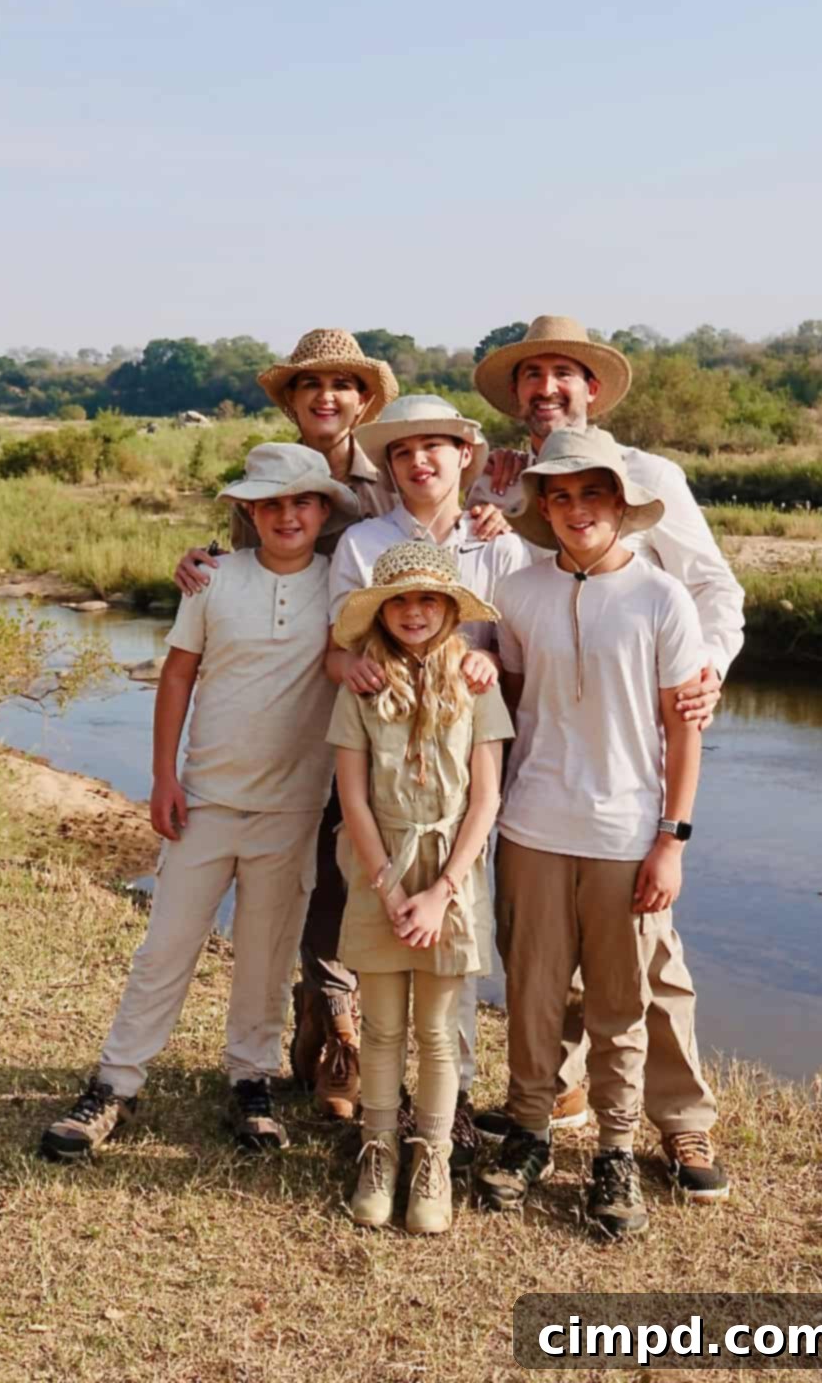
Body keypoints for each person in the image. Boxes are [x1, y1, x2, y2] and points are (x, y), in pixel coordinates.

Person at [172, 338, 506, 1124]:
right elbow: (253, 576)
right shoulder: (287, 485)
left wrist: (500, 510)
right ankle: (334, 1031)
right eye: (310, 385)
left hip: (436, 731)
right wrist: (200, 563)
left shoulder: (406, 492)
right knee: (329, 879)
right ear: (290, 400)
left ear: (365, 401)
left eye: (342, 385)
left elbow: (499, 616)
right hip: (319, 714)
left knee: (427, 880)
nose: (326, 397)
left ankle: (437, 1085)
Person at [471, 317, 742, 1187]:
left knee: (648, 964)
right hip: (544, 777)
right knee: (539, 958)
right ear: (516, 395)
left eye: (564, 373)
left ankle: (679, 1121)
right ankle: (548, 1101)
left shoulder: (650, 475)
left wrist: (706, 673)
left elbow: (712, 585)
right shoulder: (498, 477)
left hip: (637, 759)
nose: (546, 388)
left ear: (592, 387)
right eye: (532, 375)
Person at [39, 443, 358, 1162]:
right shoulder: (212, 578)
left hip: (293, 809)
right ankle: (115, 1083)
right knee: (167, 947)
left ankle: (252, 1080)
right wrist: (164, 777)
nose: (287, 516)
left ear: (323, 509)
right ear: (248, 510)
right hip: (207, 798)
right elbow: (179, 674)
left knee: (266, 955)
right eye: (270, 504)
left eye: (302, 502)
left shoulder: (340, 584)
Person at [326, 393, 529, 1156]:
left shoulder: (496, 541)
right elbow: (338, 647)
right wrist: (357, 670)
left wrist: (484, 663)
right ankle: (371, 1100)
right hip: (382, 750)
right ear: (389, 465)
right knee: (377, 942)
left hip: (469, 755)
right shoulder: (365, 541)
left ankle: (452, 1110)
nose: (420, 462)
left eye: (435, 447)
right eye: (404, 451)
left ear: (464, 455)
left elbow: (516, 651)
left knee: (456, 940)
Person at [328, 542, 512, 1232]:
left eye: (428, 599)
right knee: (381, 1027)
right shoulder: (362, 686)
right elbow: (352, 797)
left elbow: (486, 798)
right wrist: (387, 888)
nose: (413, 612)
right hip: (378, 867)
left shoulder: (476, 683)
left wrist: (441, 893)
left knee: (437, 1031)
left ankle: (431, 1157)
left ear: (450, 609)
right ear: (380, 610)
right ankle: (377, 1151)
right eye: (400, 600)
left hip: (450, 873)